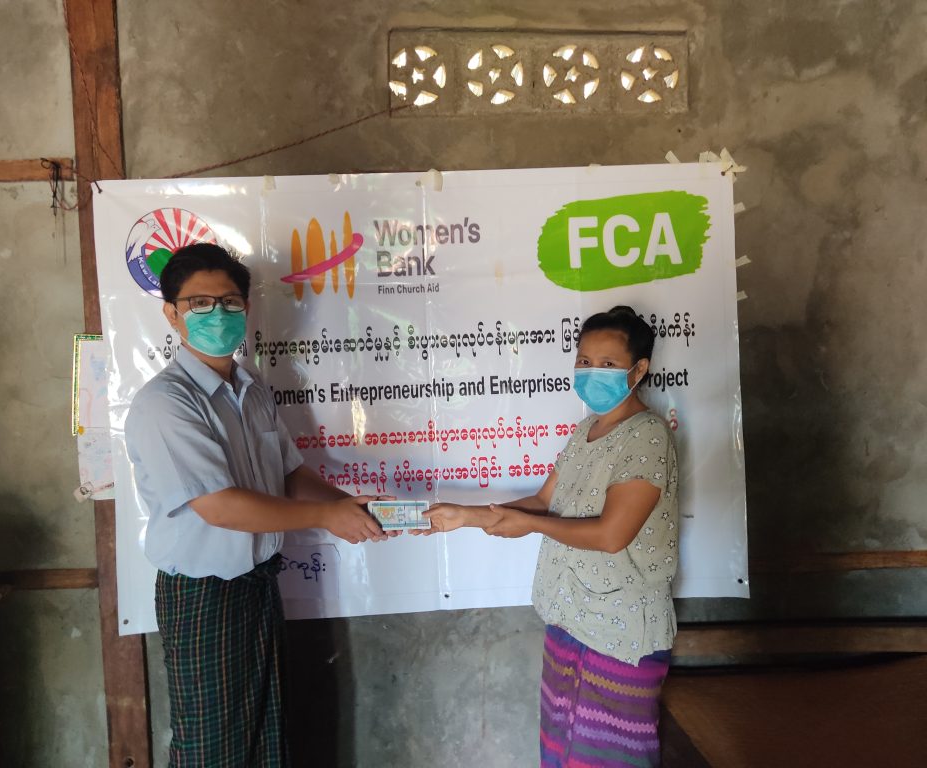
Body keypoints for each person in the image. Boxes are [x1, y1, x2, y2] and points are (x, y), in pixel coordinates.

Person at [125, 243, 388, 767]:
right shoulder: (166, 402)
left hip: (259, 587)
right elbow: (220, 507)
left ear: (246, 309)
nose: (217, 314)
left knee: (266, 739)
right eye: (199, 303)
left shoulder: (252, 390)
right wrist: (326, 516)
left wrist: (346, 504)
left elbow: (288, 476)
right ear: (171, 313)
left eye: (229, 302)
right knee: (211, 749)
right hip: (204, 598)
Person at [423, 306, 678, 768]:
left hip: (618, 635)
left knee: (608, 757)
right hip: (571, 621)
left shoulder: (648, 435)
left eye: (607, 364)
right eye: (583, 361)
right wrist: (467, 516)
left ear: (639, 370)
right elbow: (544, 502)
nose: (590, 372)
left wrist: (530, 525)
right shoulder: (586, 432)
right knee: (562, 754)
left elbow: (611, 535)